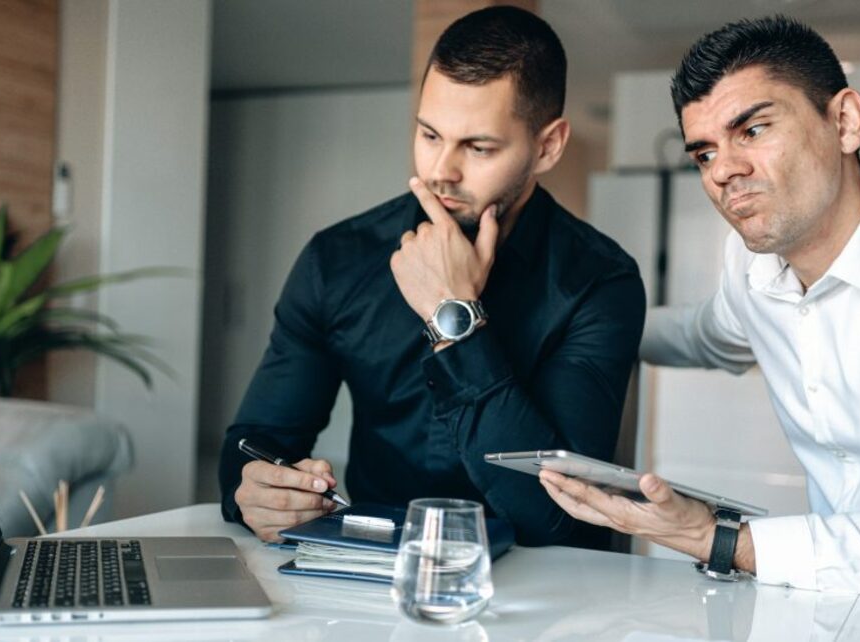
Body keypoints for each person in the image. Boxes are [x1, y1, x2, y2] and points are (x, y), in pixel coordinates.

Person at [540, 15, 860, 603]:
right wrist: (546, 323)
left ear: (844, 122)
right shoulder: (751, 269)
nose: (723, 171)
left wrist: (716, 538)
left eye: (753, 130)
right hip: (840, 612)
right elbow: (698, 335)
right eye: (705, 153)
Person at [218, 6, 645, 550]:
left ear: (547, 146)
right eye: (429, 134)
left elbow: (555, 515)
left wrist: (454, 314)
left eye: (478, 147)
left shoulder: (599, 281)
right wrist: (252, 489)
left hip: (550, 592)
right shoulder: (338, 260)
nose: (441, 169)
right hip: (376, 575)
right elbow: (256, 441)